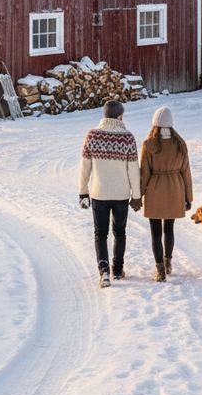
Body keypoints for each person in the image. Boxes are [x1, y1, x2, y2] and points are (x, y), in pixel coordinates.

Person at [78, 100, 142, 288]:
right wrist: (136, 195)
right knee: (120, 232)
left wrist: (83, 192)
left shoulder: (92, 135)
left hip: (99, 193)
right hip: (121, 194)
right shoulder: (128, 138)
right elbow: (133, 170)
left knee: (100, 233)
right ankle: (118, 269)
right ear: (120, 116)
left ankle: (104, 271)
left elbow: (84, 167)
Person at [139, 106, 193, 282]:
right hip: (175, 188)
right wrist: (188, 197)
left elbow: (144, 172)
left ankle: (160, 270)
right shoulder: (180, 144)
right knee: (169, 229)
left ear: (155, 123)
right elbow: (186, 171)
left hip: (155, 189)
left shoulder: (149, 144)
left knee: (155, 232)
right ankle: (168, 262)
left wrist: (138, 194)